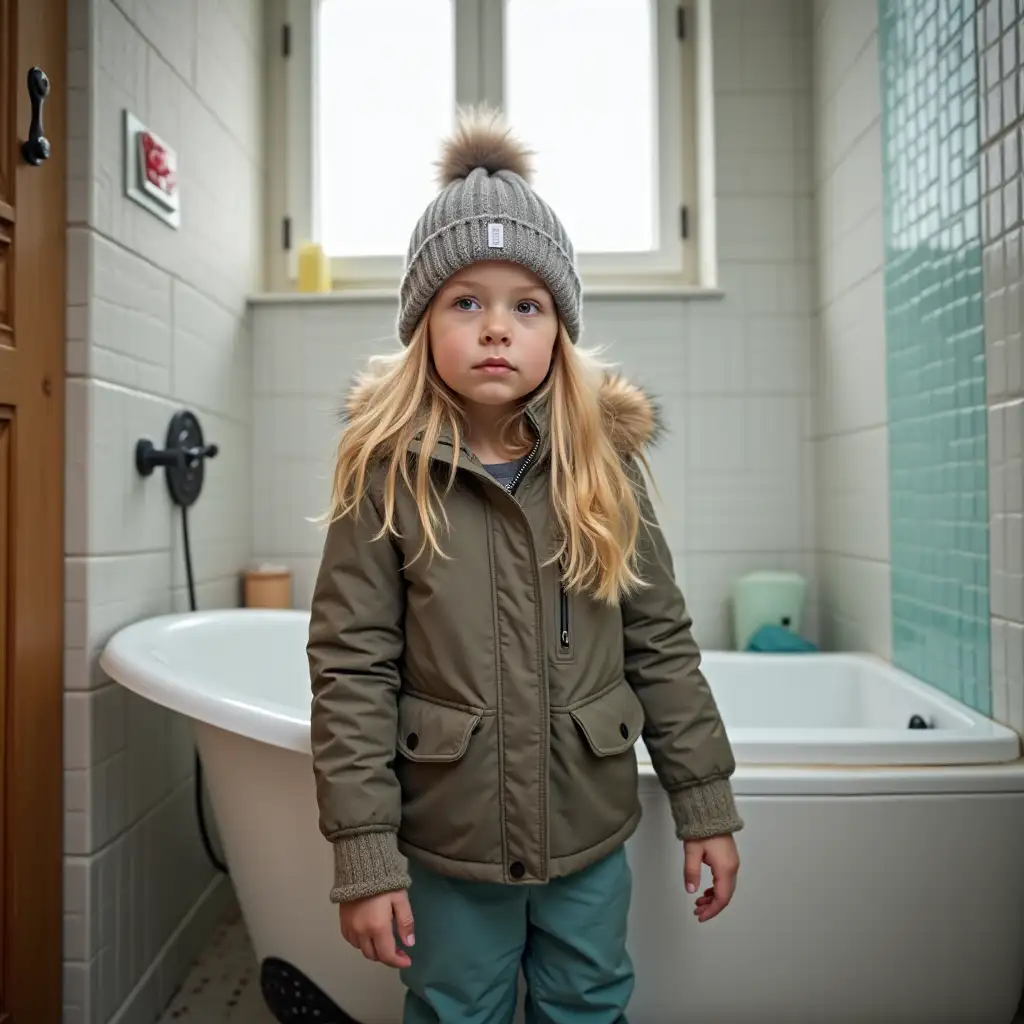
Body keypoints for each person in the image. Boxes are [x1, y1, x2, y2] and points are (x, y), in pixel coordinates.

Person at [307, 106, 743, 1024]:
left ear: (560, 332)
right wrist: (365, 854)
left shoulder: (604, 469)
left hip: (587, 832)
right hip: (448, 844)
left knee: (588, 1002)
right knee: (453, 1006)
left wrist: (704, 802)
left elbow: (660, 643)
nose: (496, 328)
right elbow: (351, 669)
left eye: (526, 305)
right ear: (423, 324)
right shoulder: (385, 474)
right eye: (466, 301)